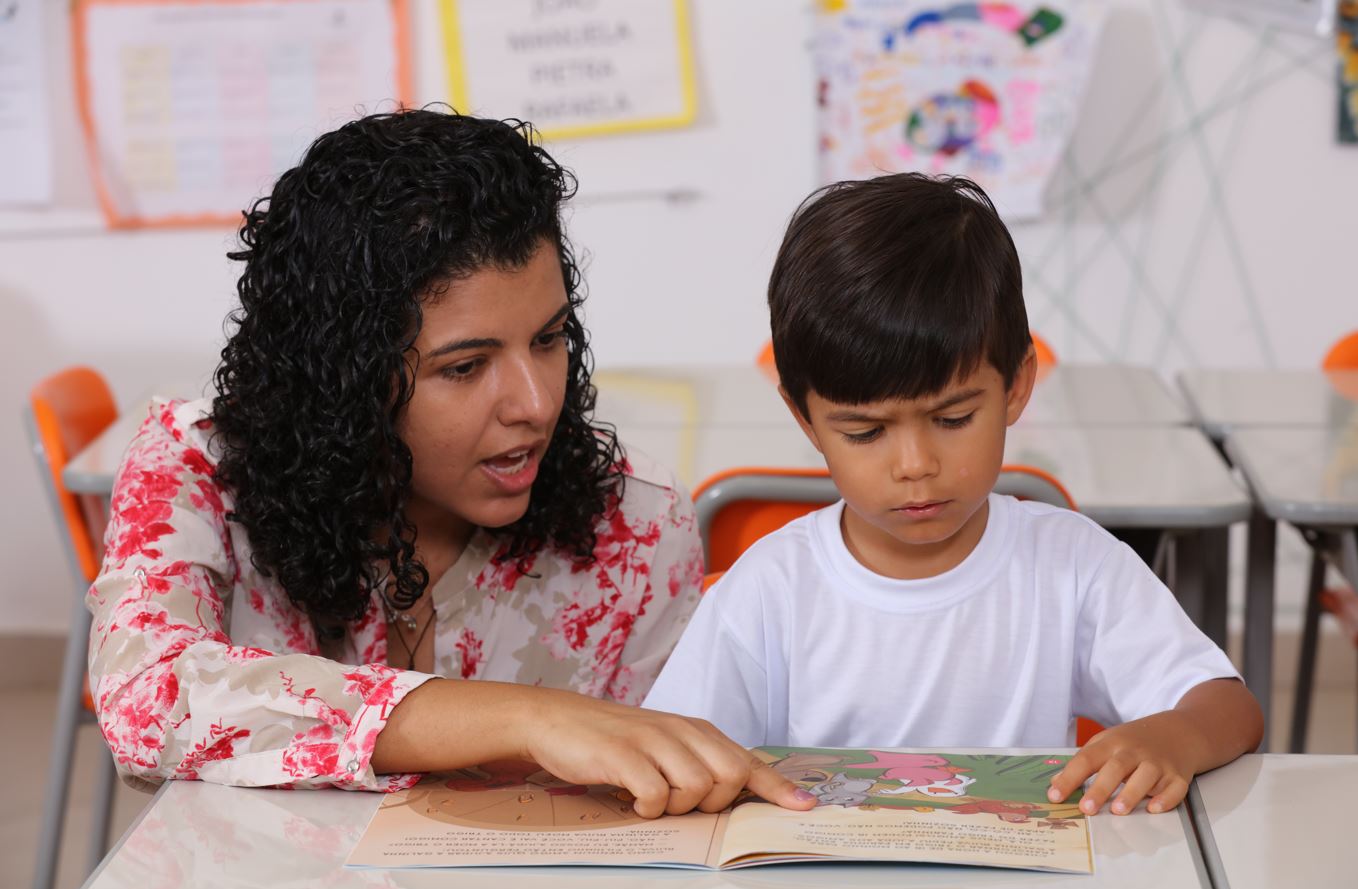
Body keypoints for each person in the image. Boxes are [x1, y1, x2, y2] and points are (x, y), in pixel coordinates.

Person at [86, 109, 814, 819]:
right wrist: (527, 718)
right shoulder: (197, 468)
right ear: (344, 378)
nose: (534, 402)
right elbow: (147, 701)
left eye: (550, 338)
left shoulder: (638, 526)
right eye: (466, 367)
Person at [643, 173, 1263, 817]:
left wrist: (1176, 735)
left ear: (1017, 386)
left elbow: (1228, 707)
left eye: (953, 419)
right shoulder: (773, 587)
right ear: (805, 420)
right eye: (865, 431)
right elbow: (671, 750)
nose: (916, 465)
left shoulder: (1070, 563)